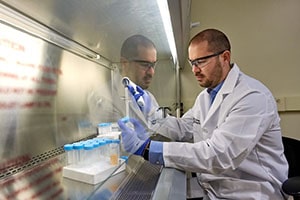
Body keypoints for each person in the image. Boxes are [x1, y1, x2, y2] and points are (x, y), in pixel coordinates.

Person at [118, 29, 289, 199]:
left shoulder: (251, 97)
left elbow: (218, 155)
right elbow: (182, 129)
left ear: (225, 57)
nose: (194, 70)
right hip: (214, 186)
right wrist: (151, 113)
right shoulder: (206, 96)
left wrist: (147, 149)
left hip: (249, 192)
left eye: (201, 61)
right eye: (192, 62)